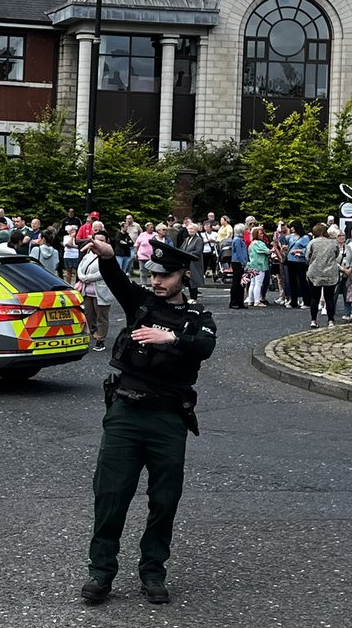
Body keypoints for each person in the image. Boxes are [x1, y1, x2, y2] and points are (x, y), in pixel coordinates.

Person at [78, 236, 216, 606]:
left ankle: (153, 571)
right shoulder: (142, 303)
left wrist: (169, 338)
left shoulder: (197, 317)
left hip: (168, 419)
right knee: (110, 494)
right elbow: (119, 283)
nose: (157, 281)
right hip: (126, 413)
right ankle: (100, 572)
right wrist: (108, 258)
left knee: (165, 499)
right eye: (154, 273)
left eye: (166, 275)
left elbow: (204, 345)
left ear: (183, 276)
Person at [76, 233, 113, 352]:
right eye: (96, 240)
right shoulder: (88, 254)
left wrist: (87, 278)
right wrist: (82, 277)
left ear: (107, 242)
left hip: (101, 292)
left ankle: (100, 340)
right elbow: (80, 267)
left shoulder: (108, 256)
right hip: (87, 291)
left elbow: (104, 272)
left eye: (101, 240)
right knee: (88, 315)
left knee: (101, 317)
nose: (98, 243)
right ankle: (94, 334)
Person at [305, 223, 340, 328]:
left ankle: (313, 320)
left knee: (315, 297)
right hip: (330, 272)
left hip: (315, 272)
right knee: (329, 297)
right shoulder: (333, 243)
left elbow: (307, 256)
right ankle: (330, 320)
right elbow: (336, 254)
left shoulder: (313, 243)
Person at [246, 226, 271, 307]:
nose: (262, 235)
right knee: (258, 284)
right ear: (256, 235)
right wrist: (273, 249)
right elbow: (267, 252)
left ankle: (250, 300)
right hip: (260, 265)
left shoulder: (251, 243)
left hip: (251, 265)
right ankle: (257, 301)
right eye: (260, 234)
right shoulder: (260, 243)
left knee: (252, 284)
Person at [229, 223, 248, 309]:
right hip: (238, 262)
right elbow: (239, 253)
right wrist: (244, 262)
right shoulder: (237, 240)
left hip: (239, 262)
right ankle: (234, 302)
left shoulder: (239, 239)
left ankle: (240, 302)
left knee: (241, 283)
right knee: (237, 282)